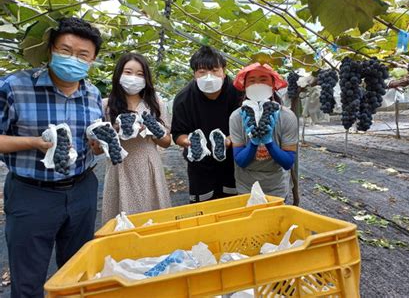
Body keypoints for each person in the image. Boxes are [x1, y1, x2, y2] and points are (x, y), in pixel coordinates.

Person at [0, 17, 103, 297]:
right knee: (28, 279)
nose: (73, 59)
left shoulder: (93, 94)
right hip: (32, 194)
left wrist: (97, 146)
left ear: (92, 59)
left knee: (77, 272)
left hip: (82, 189)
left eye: (83, 54)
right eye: (65, 50)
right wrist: (34, 142)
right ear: (50, 51)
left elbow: (92, 140)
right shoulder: (15, 86)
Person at [101, 52, 172, 223]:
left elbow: (167, 142)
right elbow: (96, 147)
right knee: (122, 220)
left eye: (140, 74)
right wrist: (113, 130)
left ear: (146, 78)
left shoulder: (154, 104)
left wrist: (152, 128)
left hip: (148, 166)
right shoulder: (106, 105)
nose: (134, 78)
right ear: (119, 74)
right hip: (119, 167)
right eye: (128, 72)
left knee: (153, 218)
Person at [171, 46, 242, 203]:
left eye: (215, 70)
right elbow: (177, 134)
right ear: (194, 74)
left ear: (224, 71)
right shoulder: (183, 98)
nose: (209, 77)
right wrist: (190, 142)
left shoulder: (237, 93)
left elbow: (244, 127)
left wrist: (229, 140)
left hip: (233, 161)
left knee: (233, 203)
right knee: (203, 205)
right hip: (199, 164)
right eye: (202, 72)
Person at [229, 63, 298, 198]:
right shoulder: (237, 117)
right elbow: (240, 161)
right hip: (246, 187)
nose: (257, 85)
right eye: (252, 81)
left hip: (276, 187)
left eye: (263, 79)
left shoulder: (287, 116)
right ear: (245, 87)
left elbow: (288, 162)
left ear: (273, 85)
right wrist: (254, 143)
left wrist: (269, 143)